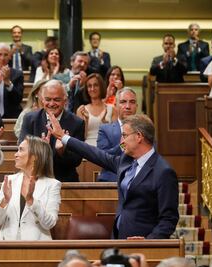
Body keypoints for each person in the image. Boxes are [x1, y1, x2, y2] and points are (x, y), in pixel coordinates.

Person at [48, 114, 179, 239]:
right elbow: (95, 154)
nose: (121, 141)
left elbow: (169, 219)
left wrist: (149, 242)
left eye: (124, 135)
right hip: (118, 237)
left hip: (143, 244)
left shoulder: (163, 172)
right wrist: (64, 138)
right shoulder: (126, 161)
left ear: (139, 136)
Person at [0, 135, 61, 240]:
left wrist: (31, 200)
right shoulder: (9, 180)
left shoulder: (52, 185)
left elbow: (49, 223)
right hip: (6, 246)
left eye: (20, 150)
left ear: (35, 156)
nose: (15, 154)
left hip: (36, 247)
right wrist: (5, 201)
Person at [19, 79, 85, 182]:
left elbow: (76, 160)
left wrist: (62, 152)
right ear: (42, 100)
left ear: (65, 100)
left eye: (57, 99)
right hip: (35, 180)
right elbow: (23, 151)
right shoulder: (30, 119)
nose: (52, 103)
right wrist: (41, 150)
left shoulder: (77, 123)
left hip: (65, 182)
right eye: (48, 99)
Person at [97, 87, 138, 182]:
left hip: (139, 181)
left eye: (132, 102)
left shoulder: (145, 129)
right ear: (115, 105)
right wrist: (123, 145)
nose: (128, 106)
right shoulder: (105, 129)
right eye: (123, 102)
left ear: (137, 106)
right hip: (112, 180)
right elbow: (101, 158)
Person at [76, 73, 117, 146]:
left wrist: (106, 125)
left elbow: (116, 137)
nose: (92, 89)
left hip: (106, 149)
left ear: (101, 87)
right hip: (87, 149)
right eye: (89, 86)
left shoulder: (112, 109)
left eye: (95, 85)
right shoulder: (81, 110)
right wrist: (86, 121)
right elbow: (80, 138)